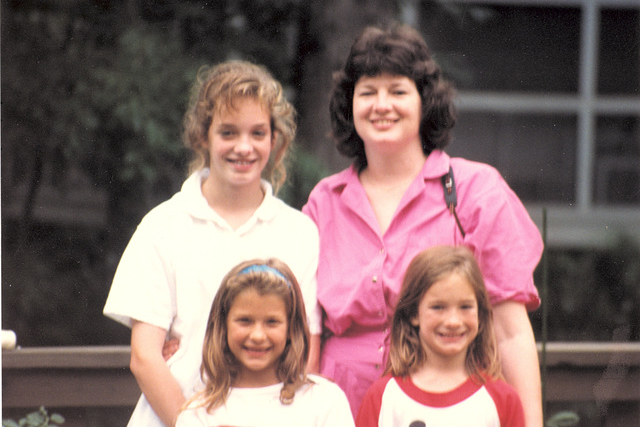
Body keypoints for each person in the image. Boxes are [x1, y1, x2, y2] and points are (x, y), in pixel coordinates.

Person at [302, 24, 543, 426]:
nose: (382, 105)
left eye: (398, 91)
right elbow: (300, 327)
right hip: (340, 407)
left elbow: (511, 332)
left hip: (452, 407)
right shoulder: (324, 202)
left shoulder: (474, 191)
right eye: (367, 92)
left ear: (424, 102)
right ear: (350, 106)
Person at [103, 60, 321, 427]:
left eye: (257, 133)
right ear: (203, 136)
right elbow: (144, 357)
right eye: (228, 133)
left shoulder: (298, 231)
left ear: (274, 139)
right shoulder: (162, 226)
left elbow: (305, 346)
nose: (243, 148)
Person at [356, 246, 524, 427]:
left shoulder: (503, 400)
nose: (453, 321)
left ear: (480, 313)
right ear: (413, 313)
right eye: (438, 307)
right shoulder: (383, 398)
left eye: (465, 307)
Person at [175, 259, 355, 427]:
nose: (258, 336)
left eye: (272, 322)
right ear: (223, 325)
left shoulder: (323, 400)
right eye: (245, 321)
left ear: (292, 328)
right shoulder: (198, 413)